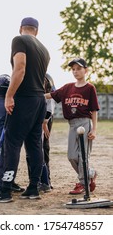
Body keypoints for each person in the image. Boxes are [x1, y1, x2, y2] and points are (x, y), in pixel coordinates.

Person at [0, 17, 50, 203]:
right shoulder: (44, 50)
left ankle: (5, 191)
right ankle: (33, 188)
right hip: (40, 100)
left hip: (24, 99)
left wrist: (9, 95)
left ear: (21, 28)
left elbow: (20, 69)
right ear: (37, 31)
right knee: (34, 145)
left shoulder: (19, 40)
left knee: (12, 143)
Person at [45, 58, 99, 195]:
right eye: (73, 69)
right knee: (71, 156)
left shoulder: (89, 88)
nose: (75, 71)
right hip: (72, 124)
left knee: (83, 155)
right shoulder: (68, 87)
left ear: (85, 70)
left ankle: (82, 182)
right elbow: (50, 95)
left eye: (78, 68)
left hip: (85, 122)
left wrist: (94, 129)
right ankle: (90, 173)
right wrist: (33, 96)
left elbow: (94, 110)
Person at [39, 73, 56, 192]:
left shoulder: (47, 77)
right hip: (35, 118)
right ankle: (36, 180)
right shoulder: (31, 76)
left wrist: (44, 122)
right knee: (34, 151)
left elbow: (51, 105)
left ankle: (46, 180)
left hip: (45, 118)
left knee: (44, 148)